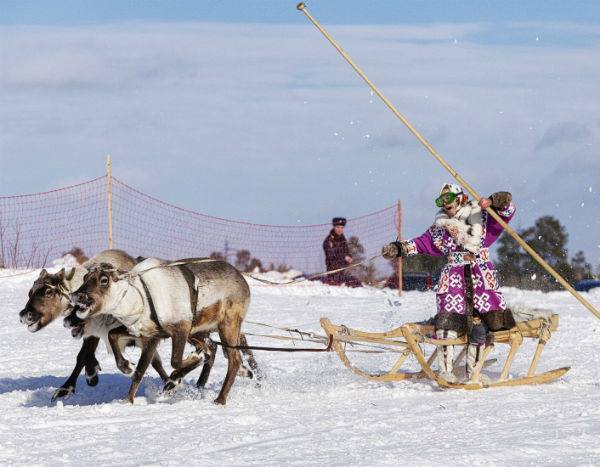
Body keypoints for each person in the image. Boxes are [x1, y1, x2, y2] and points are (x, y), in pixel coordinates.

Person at [382, 183, 516, 382]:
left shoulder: (482, 217)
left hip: (480, 277)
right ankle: (445, 371)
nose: (446, 205)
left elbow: (507, 211)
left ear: (460, 198)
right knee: (446, 323)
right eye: (441, 201)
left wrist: (497, 200)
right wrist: (398, 248)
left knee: (480, 326)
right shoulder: (441, 228)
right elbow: (420, 243)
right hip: (454, 277)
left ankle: (474, 372)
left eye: (449, 200)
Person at [322, 217, 361, 288]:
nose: (340, 229)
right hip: (333, 272)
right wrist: (344, 257)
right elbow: (331, 256)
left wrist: (349, 257)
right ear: (334, 227)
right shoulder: (328, 241)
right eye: (337, 227)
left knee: (356, 283)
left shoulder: (342, 239)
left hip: (343, 270)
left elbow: (347, 251)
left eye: (342, 227)